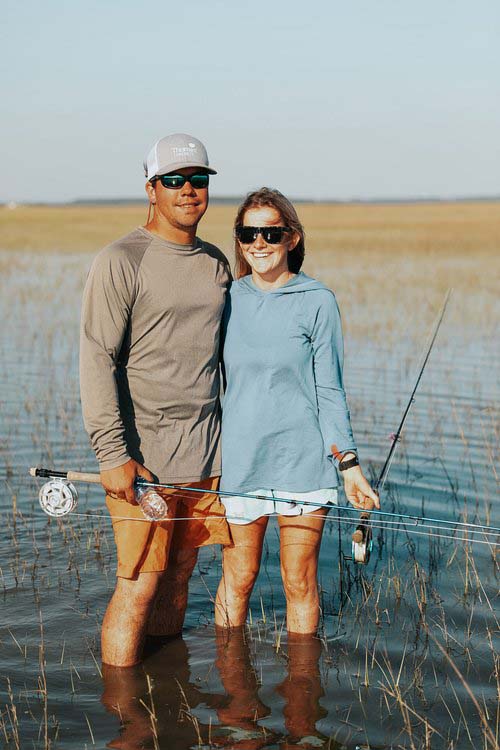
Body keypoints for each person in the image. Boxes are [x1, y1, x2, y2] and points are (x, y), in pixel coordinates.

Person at [80, 133, 231, 667]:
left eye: (198, 179)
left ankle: (167, 689)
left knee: (180, 576)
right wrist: (111, 454)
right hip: (143, 462)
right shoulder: (121, 259)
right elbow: (97, 357)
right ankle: (122, 712)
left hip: (205, 457)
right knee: (140, 585)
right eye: (174, 180)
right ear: (151, 189)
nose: (188, 190)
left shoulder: (216, 264)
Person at [215, 188, 379, 634]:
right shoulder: (226, 298)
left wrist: (348, 464)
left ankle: (303, 695)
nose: (259, 242)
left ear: (292, 238)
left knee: (299, 580)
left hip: (304, 463)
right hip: (241, 463)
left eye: (271, 232)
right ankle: (233, 696)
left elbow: (330, 388)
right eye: (249, 232)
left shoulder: (318, 300)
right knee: (238, 578)